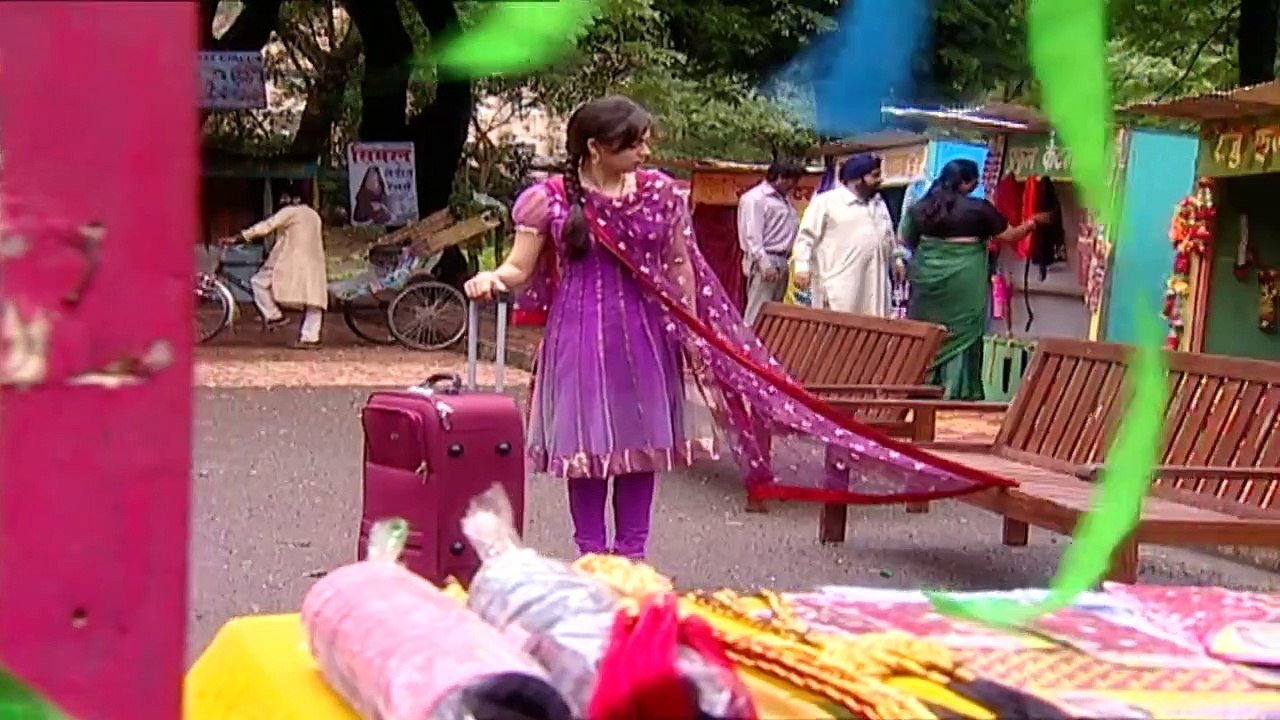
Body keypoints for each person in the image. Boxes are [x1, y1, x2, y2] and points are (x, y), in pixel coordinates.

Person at [463, 95, 1012, 560]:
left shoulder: (659, 194)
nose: (646, 153)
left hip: (647, 336)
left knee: (640, 446)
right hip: (581, 337)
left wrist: (691, 333)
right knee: (588, 451)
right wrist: (492, 278)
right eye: (635, 144)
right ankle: (590, 558)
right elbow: (519, 267)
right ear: (595, 148)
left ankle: (631, 559)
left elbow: (680, 266)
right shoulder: (550, 200)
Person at [900, 159, 1050, 399]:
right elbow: (1010, 235)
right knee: (964, 332)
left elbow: (905, 239)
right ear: (965, 183)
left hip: (926, 281)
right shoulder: (978, 209)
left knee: (928, 332)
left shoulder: (921, 208)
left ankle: (921, 388)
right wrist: (1034, 222)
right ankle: (957, 392)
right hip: (965, 280)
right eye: (974, 181)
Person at [792, 153, 898, 315]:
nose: (880, 180)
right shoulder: (826, 202)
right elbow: (805, 238)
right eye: (875, 175)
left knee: (874, 325)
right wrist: (802, 268)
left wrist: (896, 260)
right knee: (841, 326)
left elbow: (888, 236)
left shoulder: (878, 203)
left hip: (876, 286)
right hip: (840, 287)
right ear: (857, 179)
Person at [225, 186, 329, 349]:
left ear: (295, 199)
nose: (283, 201)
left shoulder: (291, 211)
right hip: (313, 261)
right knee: (313, 301)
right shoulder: (313, 215)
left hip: (289, 258)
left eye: (285, 197)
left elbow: (267, 226)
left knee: (258, 282)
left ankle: (274, 316)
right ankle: (310, 338)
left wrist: (240, 237)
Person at [737, 159, 804, 325]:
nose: (793, 185)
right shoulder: (756, 198)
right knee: (758, 309)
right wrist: (764, 264)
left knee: (773, 313)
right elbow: (752, 235)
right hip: (767, 258)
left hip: (782, 259)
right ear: (780, 177)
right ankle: (748, 340)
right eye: (791, 180)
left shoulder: (784, 200)